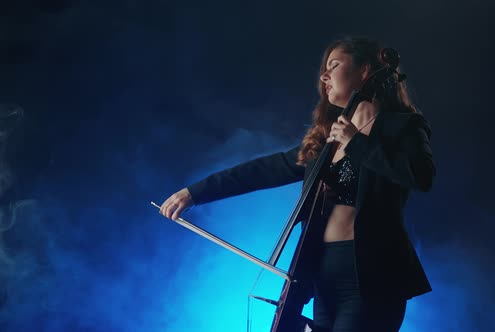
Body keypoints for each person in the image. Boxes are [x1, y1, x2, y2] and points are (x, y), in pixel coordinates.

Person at [159, 36, 435, 332]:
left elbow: (421, 176)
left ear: (365, 71)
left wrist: (357, 143)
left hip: (372, 279)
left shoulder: (401, 126)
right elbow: (263, 170)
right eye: (324, 69)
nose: (324, 76)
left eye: (335, 65)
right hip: (321, 277)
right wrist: (194, 193)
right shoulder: (327, 140)